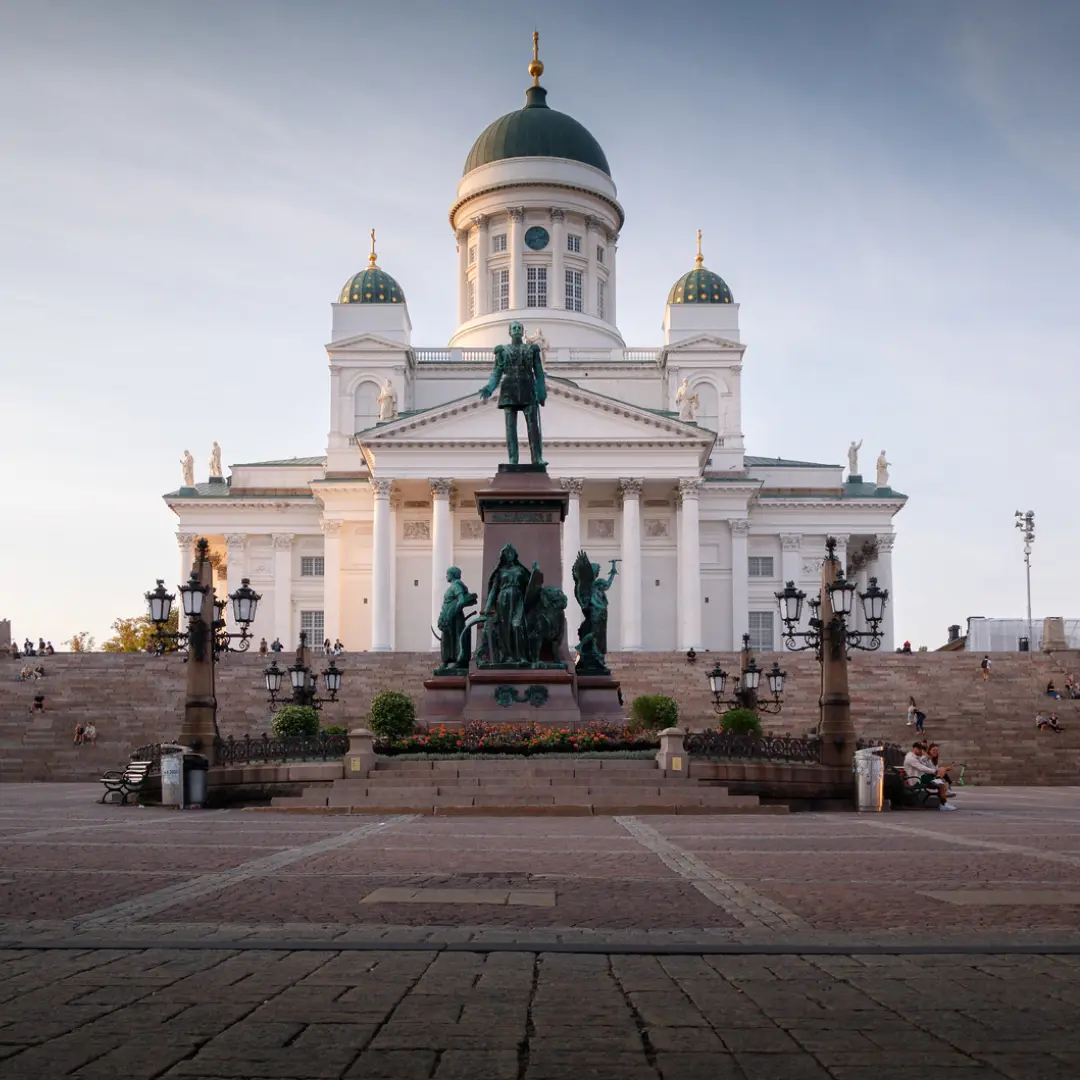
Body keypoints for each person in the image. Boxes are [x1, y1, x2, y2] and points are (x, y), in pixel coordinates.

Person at [903, 740, 954, 809]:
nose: (922, 751)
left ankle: (944, 801)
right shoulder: (910, 758)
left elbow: (925, 766)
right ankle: (943, 804)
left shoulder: (917, 756)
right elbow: (921, 768)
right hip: (917, 780)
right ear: (915, 749)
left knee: (941, 781)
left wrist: (928, 760)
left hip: (922, 777)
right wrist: (935, 771)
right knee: (941, 783)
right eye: (920, 749)